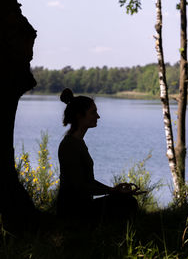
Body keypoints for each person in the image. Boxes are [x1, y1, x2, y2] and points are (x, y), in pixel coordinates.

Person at [57, 88, 138, 222]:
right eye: (93, 112)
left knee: (126, 200)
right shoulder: (70, 145)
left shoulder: (78, 142)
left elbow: (86, 181)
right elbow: (79, 187)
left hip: (81, 207)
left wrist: (113, 190)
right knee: (127, 203)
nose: (98, 116)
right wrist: (113, 192)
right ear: (79, 115)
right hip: (73, 212)